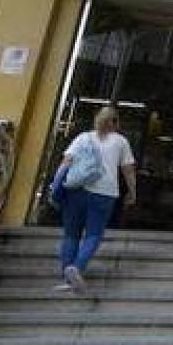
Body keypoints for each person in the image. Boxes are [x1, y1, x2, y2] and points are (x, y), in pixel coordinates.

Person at [55, 106, 137, 293]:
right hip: (104, 194)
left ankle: (67, 279)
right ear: (115, 122)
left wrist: (56, 186)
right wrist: (132, 192)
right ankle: (76, 267)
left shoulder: (82, 138)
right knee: (93, 234)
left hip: (76, 191)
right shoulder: (121, 142)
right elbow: (128, 170)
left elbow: (65, 163)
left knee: (71, 234)